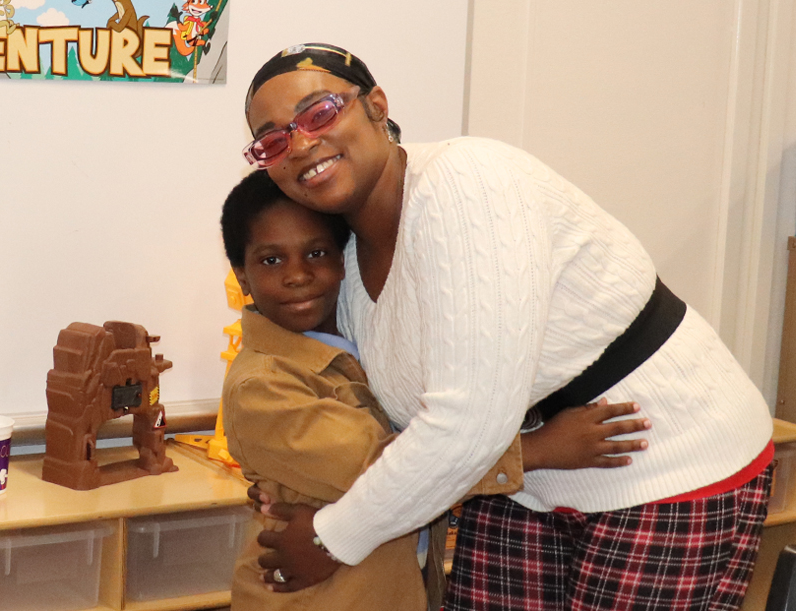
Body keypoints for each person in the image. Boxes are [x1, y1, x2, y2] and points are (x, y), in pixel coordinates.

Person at [239, 43, 776, 611]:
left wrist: (333, 536)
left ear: (376, 105)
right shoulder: (337, 258)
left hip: (656, 462)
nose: (300, 143)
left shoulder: (466, 182)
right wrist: (295, 485)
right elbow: (377, 411)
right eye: (273, 140)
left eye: (319, 113)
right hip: (513, 480)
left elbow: (466, 422)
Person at [219, 169, 651, 611]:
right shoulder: (262, 386)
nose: (298, 276)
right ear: (242, 276)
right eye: (272, 260)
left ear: (342, 259)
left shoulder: (360, 342)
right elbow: (387, 470)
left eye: (316, 253)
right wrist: (539, 449)